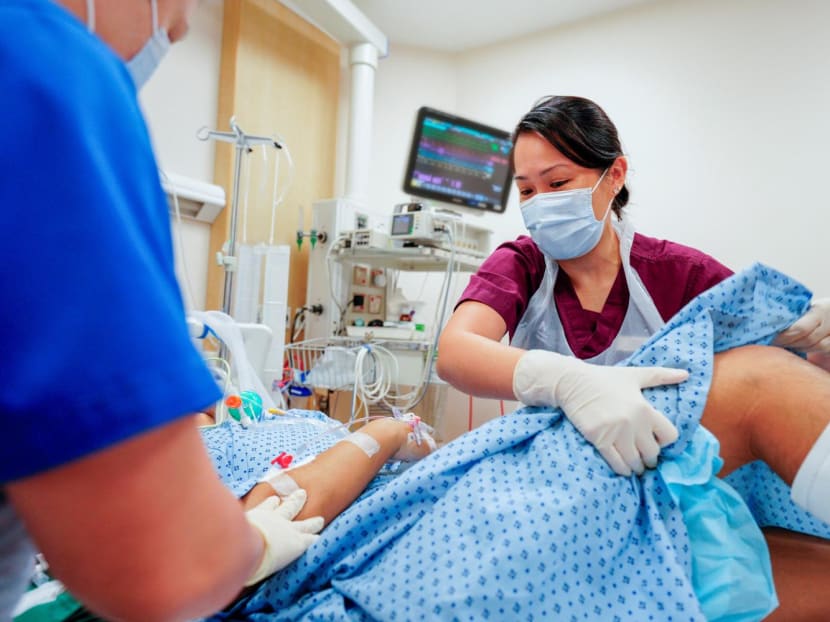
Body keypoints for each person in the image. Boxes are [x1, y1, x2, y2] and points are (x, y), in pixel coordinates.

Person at [0, 1, 352, 620]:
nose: (178, 28)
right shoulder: (49, 71)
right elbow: (165, 566)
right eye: (176, 14)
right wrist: (252, 545)